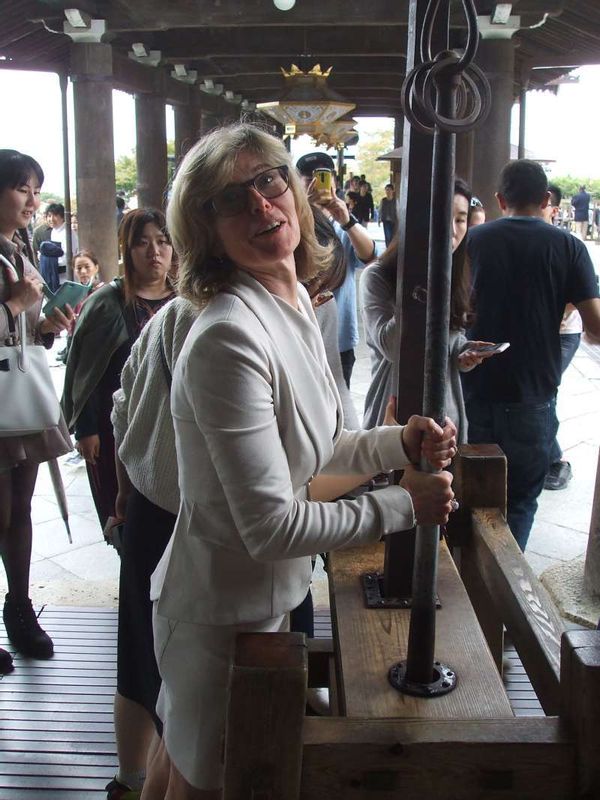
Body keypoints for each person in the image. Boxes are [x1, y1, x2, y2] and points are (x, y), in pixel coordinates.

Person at [143, 123, 457, 799]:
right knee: (201, 784)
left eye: (269, 180)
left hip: (259, 603)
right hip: (217, 615)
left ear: (296, 190)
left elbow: (319, 450)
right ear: (206, 230)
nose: (261, 205)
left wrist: (398, 441)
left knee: (175, 766)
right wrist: (403, 506)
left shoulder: (287, 302)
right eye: (232, 200)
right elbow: (271, 527)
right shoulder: (228, 336)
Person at [463, 159, 600, 551]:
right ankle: (507, 591)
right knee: (521, 499)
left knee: (473, 493)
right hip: (532, 392)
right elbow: (595, 326)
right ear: (546, 199)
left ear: (500, 199)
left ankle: (470, 578)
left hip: (474, 384)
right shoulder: (569, 245)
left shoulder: (473, 240)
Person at [107, 296, 198, 800]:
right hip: (197, 527)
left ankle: (128, 782)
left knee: (140, 656)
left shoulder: (168, 314)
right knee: (187, 688)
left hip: (147, 512)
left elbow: (120, 409)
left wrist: (123, 492)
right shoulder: (227, 320)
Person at [0, 150, 74, 674]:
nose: (32, 199)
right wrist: (14, 306)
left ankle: (20, 608)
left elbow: (22, 333)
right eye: (22, 188)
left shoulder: (20, 245)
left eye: (35, 189)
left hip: (17, 392)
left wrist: (45, 327)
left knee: (20, 508)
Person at [62, 209, 176, 529]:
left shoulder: (186, 300)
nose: (154, 251)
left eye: (162, 241)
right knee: (123, 517)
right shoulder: (106, 303)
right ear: (126, 249)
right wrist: (86, 429)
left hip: (169, 426)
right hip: (113, 429)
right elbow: (84, 371)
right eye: (142, 243)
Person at [361, 178, 495, 435]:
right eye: (444, 218)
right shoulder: (377, 277)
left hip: (447, 421)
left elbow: (450, 338)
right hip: (394, 417)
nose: (453, 231)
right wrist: (425, 278)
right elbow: (392, 347)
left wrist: (465, 353)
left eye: (460, 219)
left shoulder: (454, 275)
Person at [296, 152, 383, 388]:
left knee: (339, 409)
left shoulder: (343, 224)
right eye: (309, 178)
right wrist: (306, 211)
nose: (317, 184)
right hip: (298, 338)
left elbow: (370, 257)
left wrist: (347, 220)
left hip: (340, 339)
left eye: (324, 177)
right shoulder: (291, 223)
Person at [542, 184, 582, 491]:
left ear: (553, 208)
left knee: (543, 391)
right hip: (534, 334)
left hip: (563, 334)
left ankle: (556, 461)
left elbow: (578, 298)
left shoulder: (568, 244)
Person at [47, 202, 78, 280]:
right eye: (49, 216)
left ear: (62, 217)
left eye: (55, 215)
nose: (51, 219)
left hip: (67, 276)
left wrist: (49, 260)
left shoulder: (68, 233)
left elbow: (67, 257)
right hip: (56, 275)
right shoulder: (54, 231)